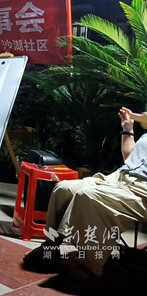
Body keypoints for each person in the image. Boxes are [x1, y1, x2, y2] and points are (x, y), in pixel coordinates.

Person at [23, 106, 147, 286]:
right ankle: (51, 247)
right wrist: (128, 129)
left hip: (142, 190)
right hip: (119, 178)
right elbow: (130, 159)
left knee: (89, 196)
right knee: (64, 188)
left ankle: (92, 267)